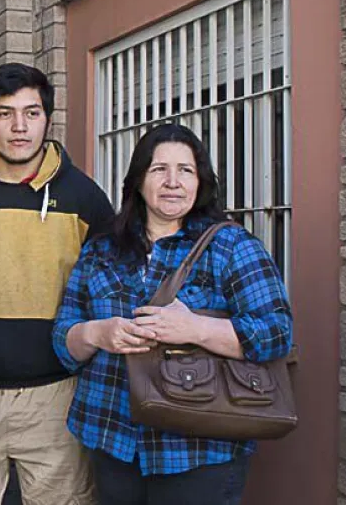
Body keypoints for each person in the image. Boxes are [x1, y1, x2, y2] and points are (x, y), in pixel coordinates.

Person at [53, 123, 293, 505]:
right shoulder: (102, 251)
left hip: (199, 447)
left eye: (185, 170)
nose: (172, 182)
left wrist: (195, 328)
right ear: (138, 180)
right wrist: (97, 333)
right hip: (111, 438)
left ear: (200, 182)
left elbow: (276, 333)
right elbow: (63, 340)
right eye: (159, 169)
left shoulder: (231, 246)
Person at [0, 63, 114, 504]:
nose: (19, 127)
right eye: (4, 113)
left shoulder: (84, 197)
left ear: (48, 120)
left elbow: (112, 289)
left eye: (31, 113)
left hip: (58, 392)